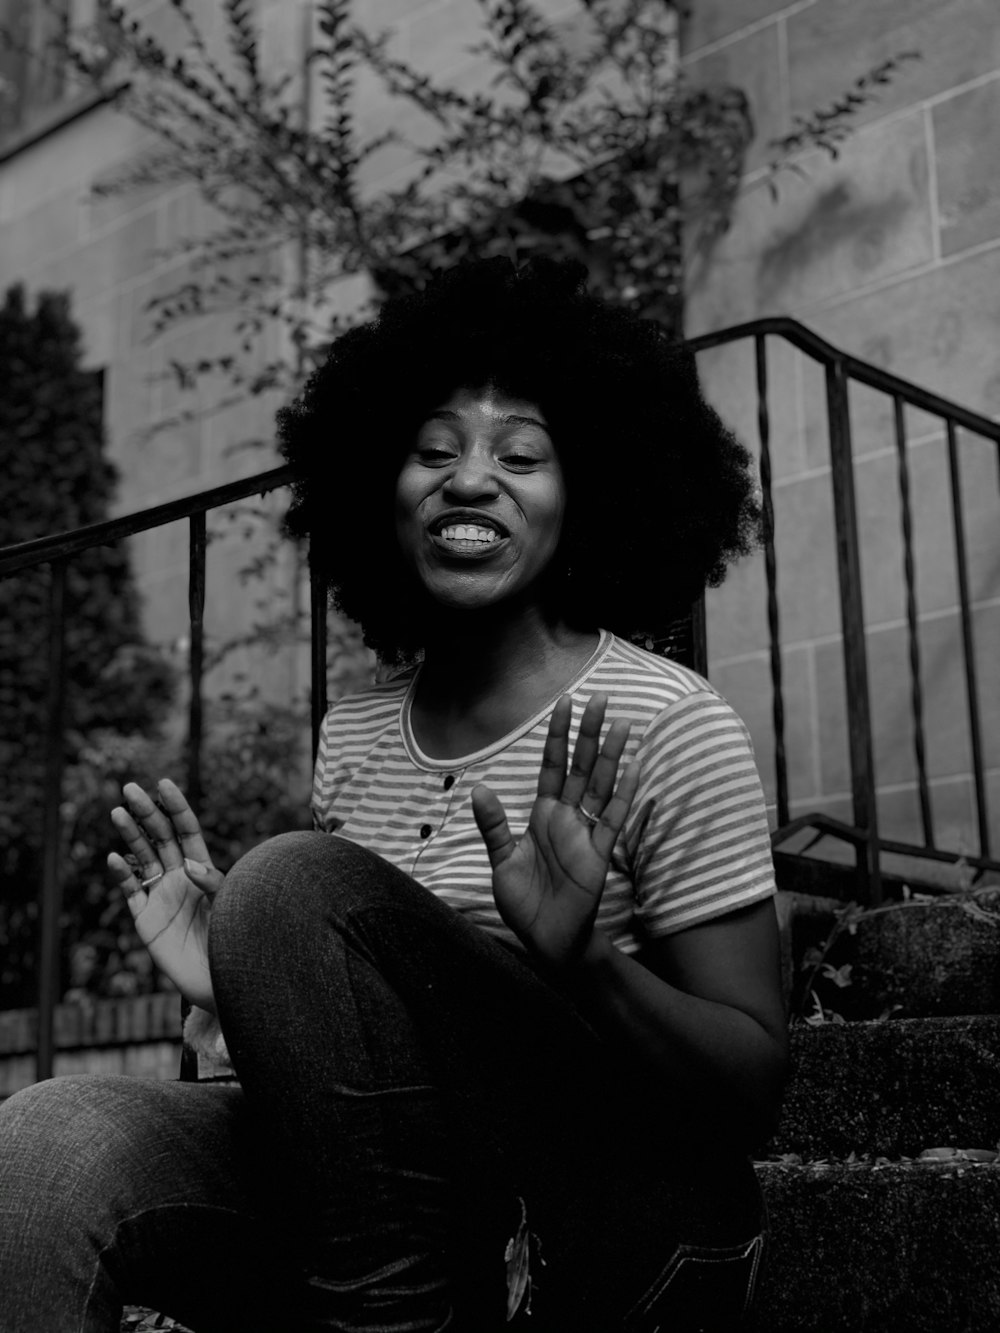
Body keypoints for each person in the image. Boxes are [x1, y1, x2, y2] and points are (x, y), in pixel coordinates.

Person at [0, 258, 787, 1332]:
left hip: (605, 1216)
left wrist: (584, 964)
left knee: (285, 884)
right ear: (384, 487)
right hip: (384, 1206)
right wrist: (240, 968)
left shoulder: (663, 720)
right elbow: (361, 1075)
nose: (469, 478)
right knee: (44, 1148)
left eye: (520, 454)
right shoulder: (358, 732)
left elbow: (753, 1086)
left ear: (590, 493)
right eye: (431, 451)